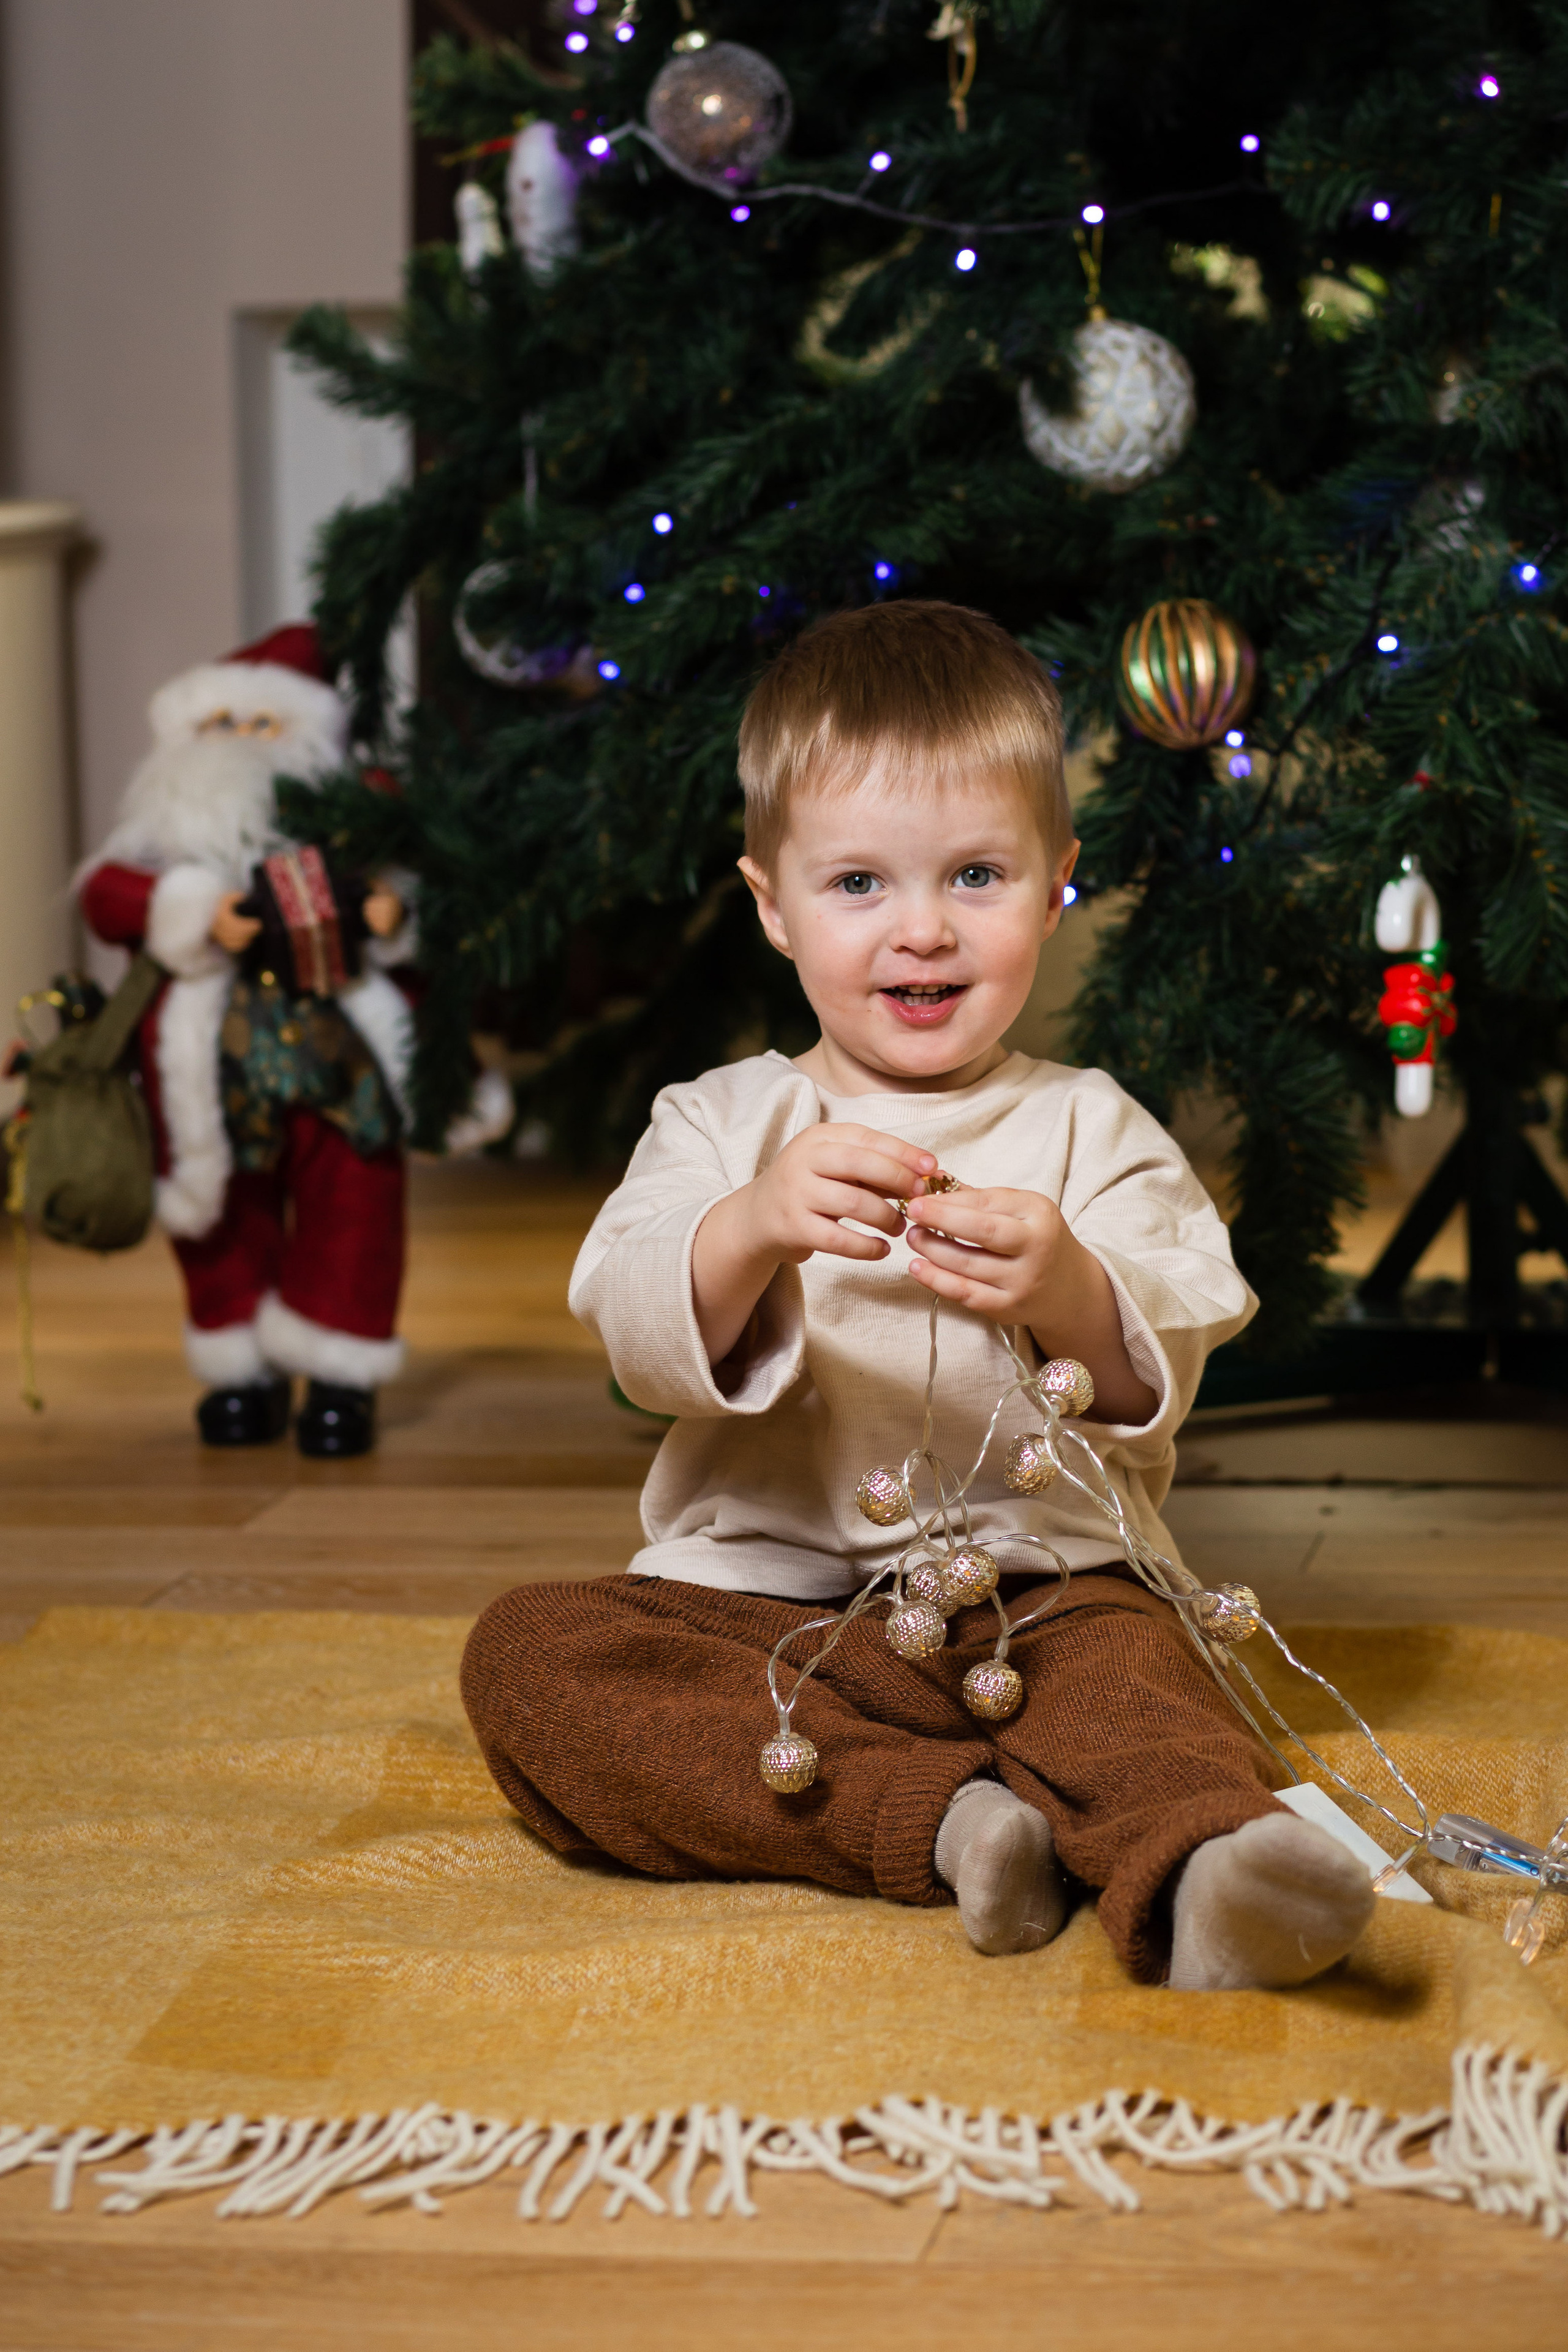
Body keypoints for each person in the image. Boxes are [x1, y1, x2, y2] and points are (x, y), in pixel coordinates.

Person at [461, 601, 1375, 1988]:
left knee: (1146, 1693)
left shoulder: (1090, 1126)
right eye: (857, 887)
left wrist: (1070, 1284)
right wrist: (751, 1229)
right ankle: (951, 1822)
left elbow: (1159, 1363)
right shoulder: (719, 1121)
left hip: (1042, 1596)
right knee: (531, 1659)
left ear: (1054, 886)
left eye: (974, 876)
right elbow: (637, 1334)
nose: (923, 934)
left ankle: (1206, 1871)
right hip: (767, 1613)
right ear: (770, 904)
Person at [77, 626, 415, 1457]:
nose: (236, 741)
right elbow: (108, 897)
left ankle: (340, 1373)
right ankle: (241, 1372)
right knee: (220, 1218)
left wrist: (390, 910)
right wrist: (193, 910)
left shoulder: (348, 814)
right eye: (218, 725)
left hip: (338, 1055)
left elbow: (410, 864)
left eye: (261, 726)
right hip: (208, 1067)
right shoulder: (160, 841)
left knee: (356, 1200)